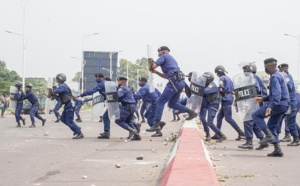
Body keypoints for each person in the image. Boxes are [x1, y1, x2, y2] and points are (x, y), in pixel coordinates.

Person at [146, 46, 198, 133]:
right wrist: (156, 72)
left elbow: (153, 66)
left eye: (158, 52)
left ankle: (156, 124)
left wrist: (151, 64)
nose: (158, 54)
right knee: (172, 103)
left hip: (174, 83)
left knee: (160, 101)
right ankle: (191, 112)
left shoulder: (164, 56)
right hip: (179, 82)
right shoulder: (171, 60)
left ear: (162, 51)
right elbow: (166, 76)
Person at [252, 58, 289, 157]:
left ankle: (268, 137)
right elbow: (274, 95)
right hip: (283, 105)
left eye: (265, 67)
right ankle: (278, 150)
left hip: (278, 104)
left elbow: (277, 94)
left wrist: (271, 106)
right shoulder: (278, 75)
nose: (265, 69)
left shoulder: (274, 77)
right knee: (271, 127)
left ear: (269, 66)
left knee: (256, 115)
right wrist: (263, 99)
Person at [237, 63, 266, 150]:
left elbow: (255, 89)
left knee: (247, 120)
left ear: (251, 69)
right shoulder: (251, 77)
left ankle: (249, 142)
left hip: (253, 102)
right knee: (254, 122)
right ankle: (263, 140)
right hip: (253, 102)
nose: (244, 71)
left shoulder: (253, 77)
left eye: (245, 69)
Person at [213, 65, 245, 140]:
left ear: (218, 72)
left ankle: (241, 133)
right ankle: (217, 133)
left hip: (226, 99)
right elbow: (233, 90)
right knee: (219, 117)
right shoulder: (229, 79)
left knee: (228, 118)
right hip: (229, 98)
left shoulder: (221, 78)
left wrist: (215, 92)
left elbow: (221, 89)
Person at [74, 73, 110, 139]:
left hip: (114, 102)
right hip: (112, 101)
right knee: (106, 117)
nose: (96, 79)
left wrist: (80, 95)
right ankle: (106, 132)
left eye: (96, 78)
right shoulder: (105, 83)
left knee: (120, 119)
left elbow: (92, 91)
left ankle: (133, 129)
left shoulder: (101, 84)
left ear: (99, 77)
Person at [53, 73, 84, 139]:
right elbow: (60, 95)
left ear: (59, 79)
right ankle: (76, 128)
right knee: (63, 119)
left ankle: (79, 133)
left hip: (70, 104)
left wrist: (52, 91)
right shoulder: (63, 86)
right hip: (68, 104)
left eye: (57, 79)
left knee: (69, 120)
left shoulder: (62, 86)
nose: (56, 81)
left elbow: (55, 91)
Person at [276, 63, 299, 146]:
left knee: (290, 121)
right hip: (288, 102)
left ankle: (296, 139)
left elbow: (288, 87)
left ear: (284, 69)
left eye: (280, 70)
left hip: (291, 102)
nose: (279, 71)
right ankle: (297, 136)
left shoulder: (287, 77)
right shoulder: (285, 77)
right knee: (290, 120)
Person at [201, 72, 227, 142]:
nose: (203, 80)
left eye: (205, 78)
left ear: (209, 79)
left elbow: (204, 91)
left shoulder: (212, 85)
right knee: (205, 120)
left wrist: (198, 87)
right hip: (210, 104)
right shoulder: (207, 85)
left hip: (214, 105)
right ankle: (210, 134)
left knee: (210, 122)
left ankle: (222, 135)